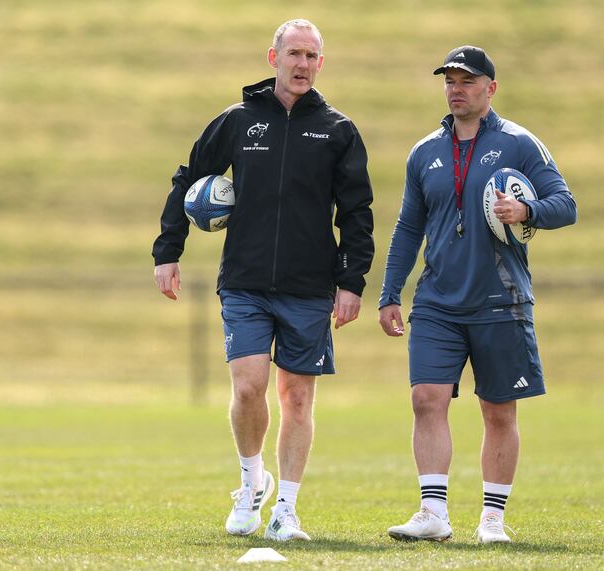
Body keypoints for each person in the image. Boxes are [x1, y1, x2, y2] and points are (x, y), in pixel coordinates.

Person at [152, 19, 374, 542]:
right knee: (249, 386)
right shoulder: (237, 120)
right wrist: (168, 250)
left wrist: (352, 280)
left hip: (310, 285)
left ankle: (286, 511)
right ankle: (252, 484)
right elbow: (187, 180)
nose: (302, 64)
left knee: (297, 397)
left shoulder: (337, 129)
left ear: (322, 63)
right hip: (246, 281)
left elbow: (357, 212)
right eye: (293, 53)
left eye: (312, 56)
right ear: (272, 58)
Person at [379, 46, 576, 544]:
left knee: (498, 410)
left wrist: (527, 210)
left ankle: (492, 519)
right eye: (449, 80)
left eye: (467, 80)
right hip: (438, 302)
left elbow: (565, 204)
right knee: (426, 399)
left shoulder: (519, 144)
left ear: (491, 88)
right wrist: (389, 293)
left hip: (500, 300)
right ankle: (432, 512)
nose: (456, 88)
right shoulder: (424, 152)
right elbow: (407, 228)